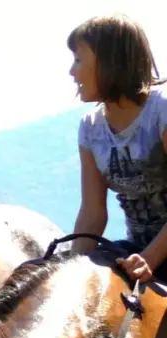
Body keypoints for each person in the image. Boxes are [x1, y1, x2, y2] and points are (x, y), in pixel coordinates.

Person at [68, 14, 167, 282]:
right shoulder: (90, 127)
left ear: (111, 62)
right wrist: (67, 271)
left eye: (78, 59)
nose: (72, 71)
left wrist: (151, 258)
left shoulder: (162, 110)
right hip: (137, 252)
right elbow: (93, 213)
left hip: (152, 256)